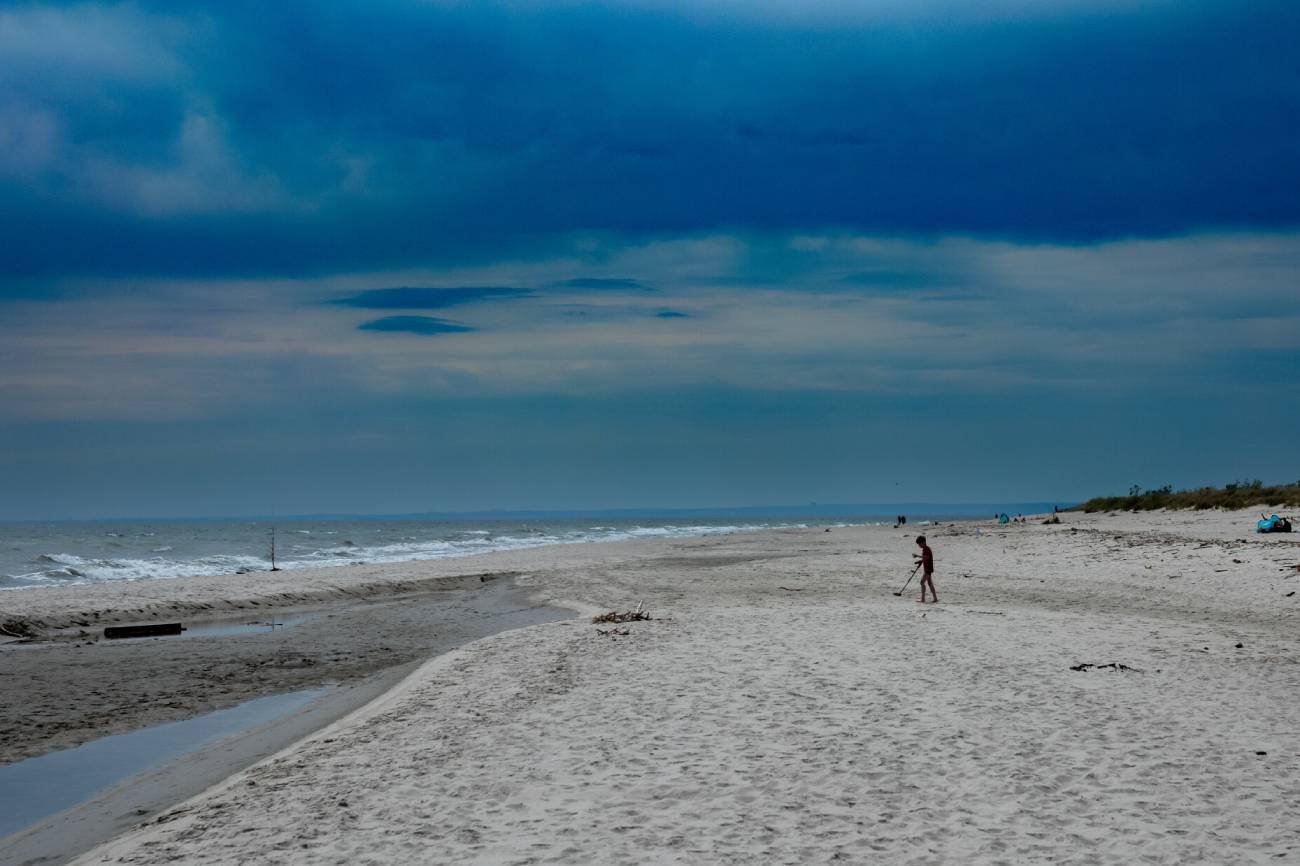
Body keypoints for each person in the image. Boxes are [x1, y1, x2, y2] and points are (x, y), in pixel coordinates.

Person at [914, 535, 937, 603]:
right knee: (929, 583)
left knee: (922, 582)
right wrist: (920, 561)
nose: (919, 545)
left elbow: (926, 557)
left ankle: (923, 599)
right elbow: (925, 558)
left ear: (923, 542)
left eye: (919, 543)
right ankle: (935, 598)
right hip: (927, 568)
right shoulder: (925, 549)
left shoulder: (927, 549)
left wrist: (917, 556)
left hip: (928, 569)